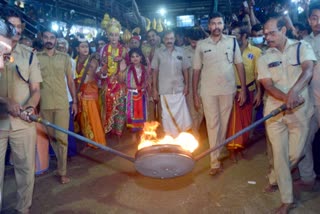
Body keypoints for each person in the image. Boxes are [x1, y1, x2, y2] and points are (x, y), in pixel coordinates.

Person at [257, 16, 316, 213]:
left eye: (272, 33)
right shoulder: (264, 57)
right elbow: (267, 85)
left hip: (300, 112)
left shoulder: (302, 47)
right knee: (280, 156)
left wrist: (294, 92)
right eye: (265, 34)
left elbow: (308, 71)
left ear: (283, 30)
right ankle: (287, 199)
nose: (268, 37)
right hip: (274, 113)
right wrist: (285, 98)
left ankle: (275, 177)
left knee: (295, 154)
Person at [193, 12, 247, 176]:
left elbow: (239, 65)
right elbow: (196, 70)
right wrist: (195, 93)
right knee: (212, 124)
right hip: (208, 91)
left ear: (224, 25)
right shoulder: (201, 45)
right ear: (209, 26)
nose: (216, 26)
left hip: (227, 90)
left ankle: (219, 149)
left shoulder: (232, 42)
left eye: (219, 23)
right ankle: (214, 162)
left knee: (223, 124)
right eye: (213, 24)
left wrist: (243, 88)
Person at [0, 10, 42, 213]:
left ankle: (23, 208)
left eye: (19, 26)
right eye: (10, 25)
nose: (15, 30)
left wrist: (29, 107)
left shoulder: (30, 55)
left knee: (25, 170)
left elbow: (35, 90)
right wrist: (5, 101)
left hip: (23, 123)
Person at [37, 28, 77, 184]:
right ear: (42, 39)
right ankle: (60, 166)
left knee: (62, 137)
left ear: (55, 40)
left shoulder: (65, 57)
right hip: (45, 103)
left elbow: (70, 80)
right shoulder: (35, 57)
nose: (49, 40)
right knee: (52, 136)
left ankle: (62, 171)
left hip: (62, 103)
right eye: (46, 37)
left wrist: (75, 101)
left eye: (52, 37)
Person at [227, 25, 262, 162]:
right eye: (232, 35)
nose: (234, 38)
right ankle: (231, 150)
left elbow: (258, 74)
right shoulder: (228, 51)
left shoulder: (256, 52)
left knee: (246, 122)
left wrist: (259, 92)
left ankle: (240, 147)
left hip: (249, 91)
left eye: (236, 35)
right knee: (232, 122)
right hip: (231, 92)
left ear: (244, 36)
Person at [151, 30, 192, 137]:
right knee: (166, 116)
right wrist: (154, 89)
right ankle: (169, 137)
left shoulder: (181, 51)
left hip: (179, 89)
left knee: (181, 116)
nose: (169, 41)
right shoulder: (158, 52)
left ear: (174, 39)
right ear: (163, 40)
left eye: (171, 38)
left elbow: (185, 70)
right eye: (167, 39)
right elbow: (154, 71)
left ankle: (180, 138)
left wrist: (187, 85)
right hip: (165, 90)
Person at [297, 1, 320, 188]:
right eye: (314, 18)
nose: (318, 22)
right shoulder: (305, 44)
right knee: (303, 139)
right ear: (309, 20)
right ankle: (308, 178)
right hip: (310, 99)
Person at [98, 18, 127, 139]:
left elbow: (127, 66)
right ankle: (107, 129)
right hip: (107, 82)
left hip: (119, 82)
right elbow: (102, 67)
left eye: (116, 35)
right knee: (107, 105)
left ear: (119, 36)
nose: (114, 38)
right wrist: (104, 69)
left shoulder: (124, 49)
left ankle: (118, 131)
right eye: (111, 35)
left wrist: (122, 61)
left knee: (120, 107)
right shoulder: (104, 49)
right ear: (108, 36)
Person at [78, 56, 106, 148]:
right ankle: (95, 140)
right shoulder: (94, 73)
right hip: (91, 98)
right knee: (94, 120)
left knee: (90, 120)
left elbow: (82, 86)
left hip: (89, 100)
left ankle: (93, 141)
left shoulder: (89, 74)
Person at [55, 38, 77, 156]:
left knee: (68, 126)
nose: (61, 47)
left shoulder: (71, 61)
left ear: (67, 48)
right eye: (58, 45)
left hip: (66, 98)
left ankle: (71, 151)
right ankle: (56, 152)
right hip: (53, 97)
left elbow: (71, 81)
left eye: (63, 45)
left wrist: (74, 101)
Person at [184, 28, 205, 140]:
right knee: (192, 109)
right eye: (192, 41)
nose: (194, 44)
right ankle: (195, 132)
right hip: (190, 86)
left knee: (201, 109)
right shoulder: (184, 51)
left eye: (196, 41)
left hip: (204, 84)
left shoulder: (206, 51)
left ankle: (196, 129)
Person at [124, 48, 149, 138]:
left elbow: (148, 81)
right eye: (132, 57)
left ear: (141, 57)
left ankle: (142, 133)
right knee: (132, 115)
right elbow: (122, 80)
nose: (135, 58)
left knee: (143, 113)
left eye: (137, 56)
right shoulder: (128, 69)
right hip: (132, 94)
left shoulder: (145, 68)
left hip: (142, 94)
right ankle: (133, 136)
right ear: (130, 59)